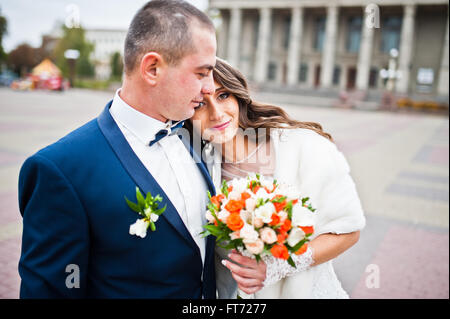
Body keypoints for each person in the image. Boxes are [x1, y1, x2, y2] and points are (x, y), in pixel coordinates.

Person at [18, 0, 218, 298]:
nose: (211, 87)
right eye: (202, 73)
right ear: (152, 69)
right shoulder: (61, 170)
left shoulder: (195, 138)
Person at [187, 58, 366, 298]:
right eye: (200, 104)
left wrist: (276, 267)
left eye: (223, 96)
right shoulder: (198, 171)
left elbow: (348, 230)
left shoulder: (305, 145)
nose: (216, 114)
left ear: (238, 96)